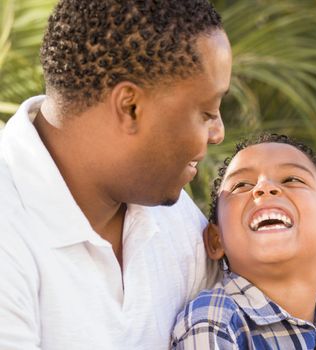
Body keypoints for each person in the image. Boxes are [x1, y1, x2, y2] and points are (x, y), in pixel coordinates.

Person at [0, 0, 232, 349]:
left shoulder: (172, 216)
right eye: (207, 112)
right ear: (130, 107)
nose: (218, 133)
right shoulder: (9, 229)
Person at [171, 133, 316, 349]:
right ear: (216, 239)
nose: (263, 188)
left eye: (292, 179)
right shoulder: (214, 321)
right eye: (242, 185)